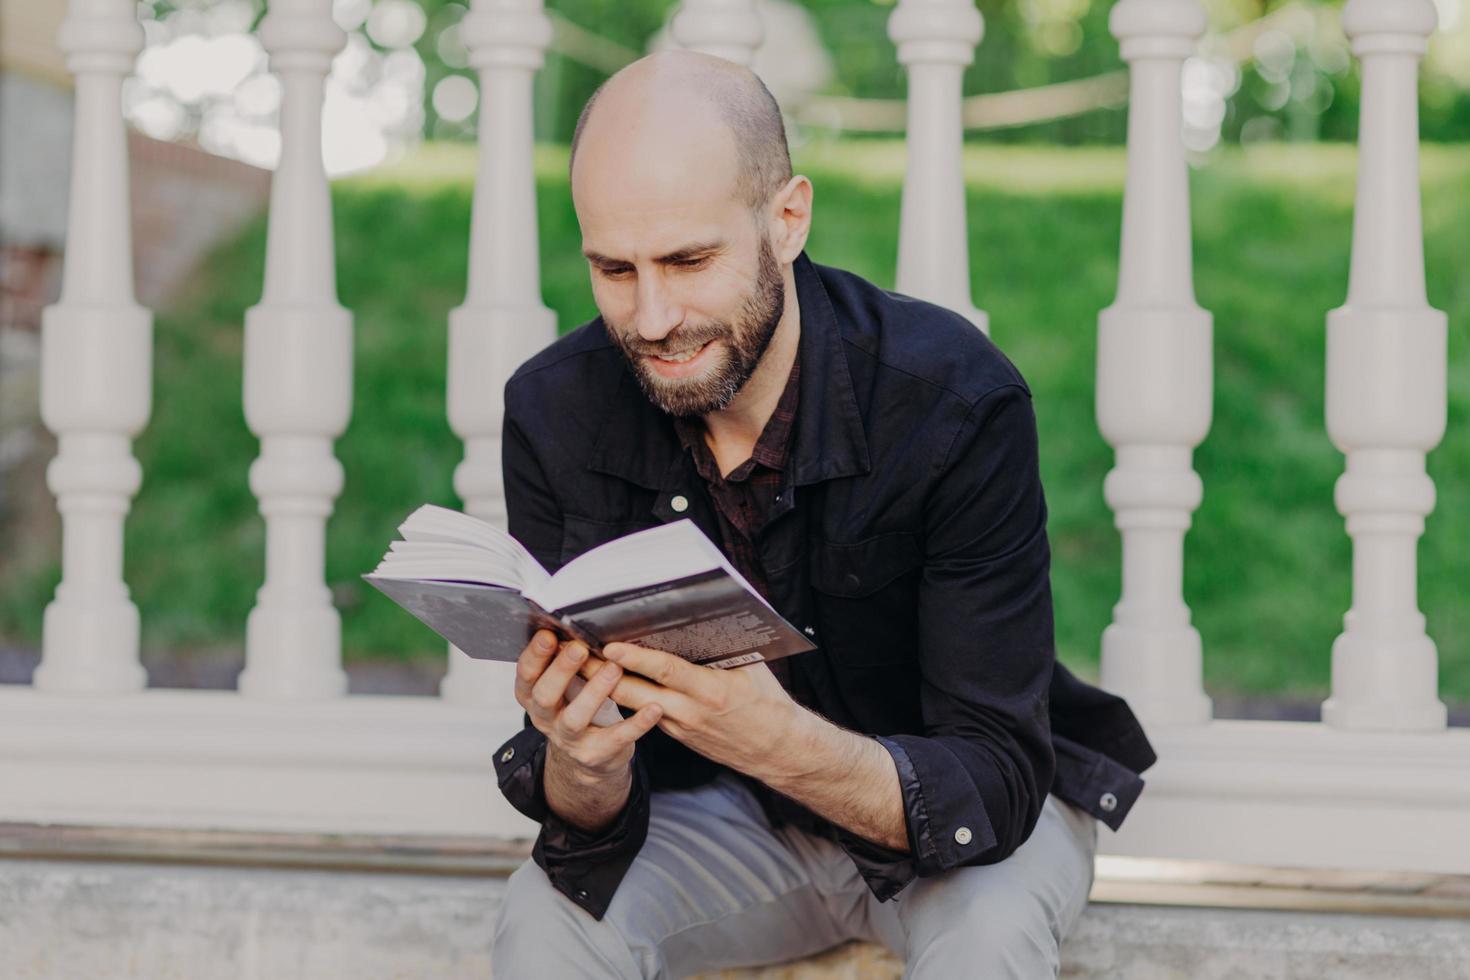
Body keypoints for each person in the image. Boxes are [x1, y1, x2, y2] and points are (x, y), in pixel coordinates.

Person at [489, 49, 1155, 979]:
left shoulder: (955, 401)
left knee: (991, 944)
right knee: (545, 917)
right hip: (735, 818)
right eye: (614, 268)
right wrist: (584, 768)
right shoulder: (556, 410)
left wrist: (783, 742)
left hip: (957, 831)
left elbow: (998, 782)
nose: (649, 318)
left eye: (688, 260)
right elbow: (584, 816)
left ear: (787, 218)